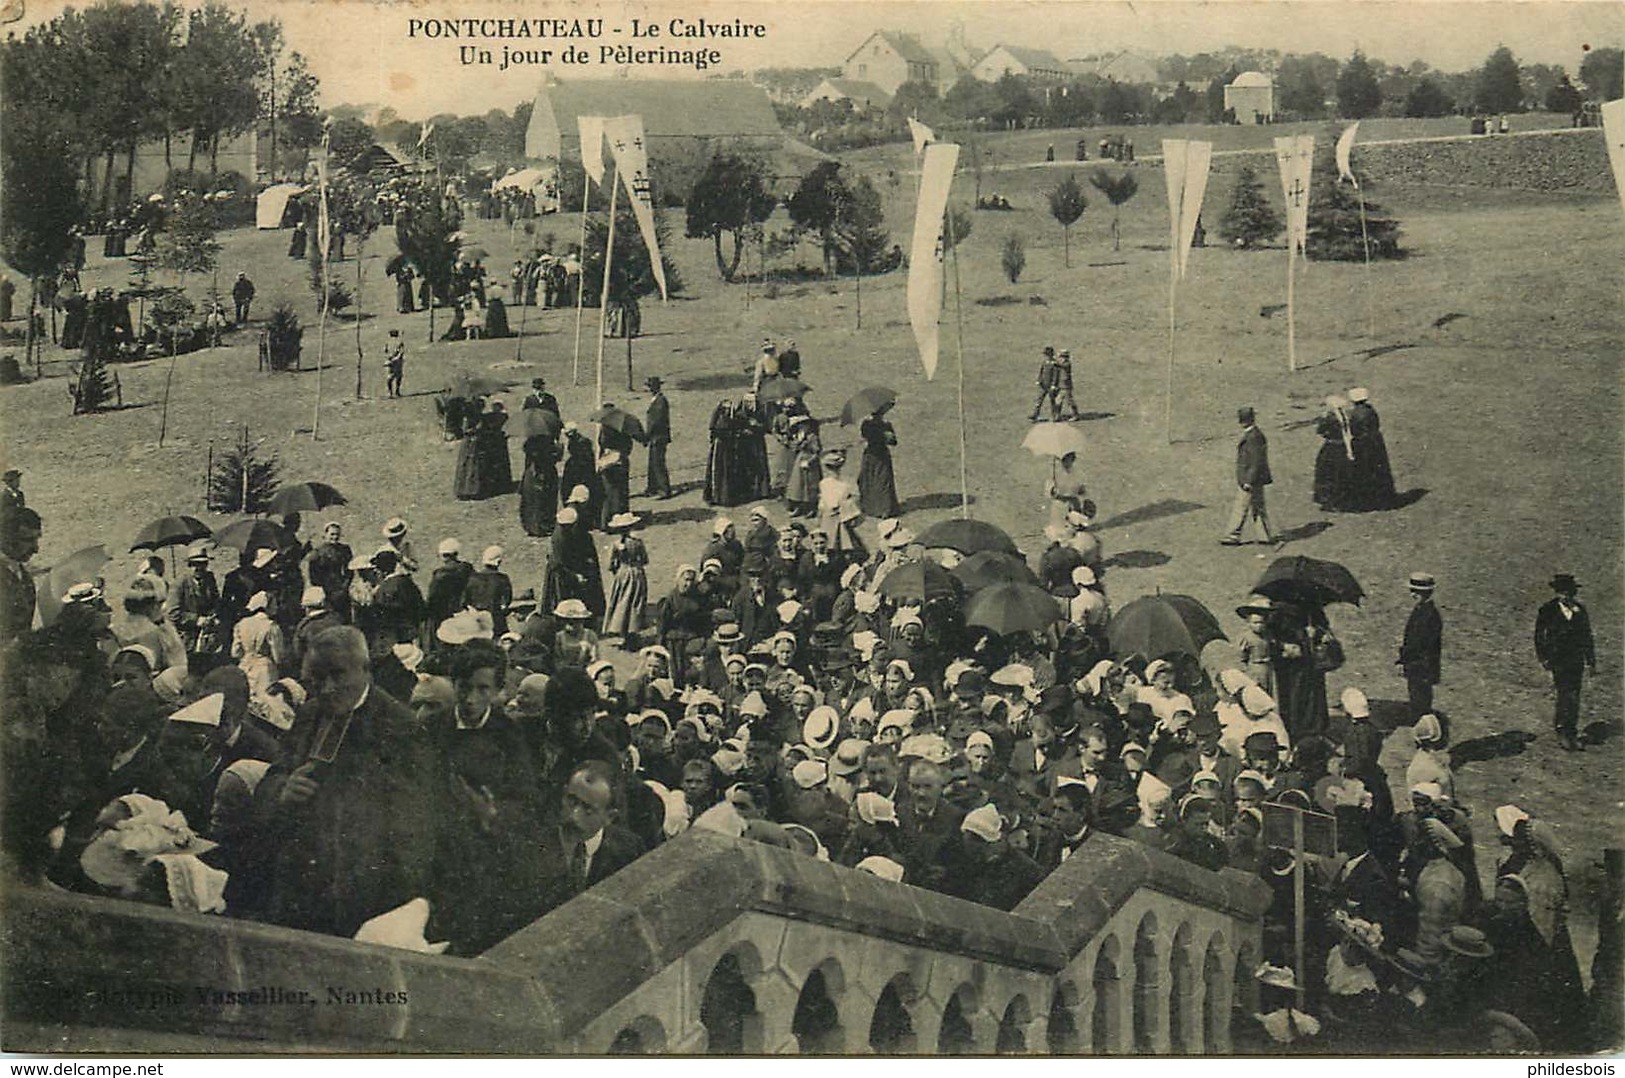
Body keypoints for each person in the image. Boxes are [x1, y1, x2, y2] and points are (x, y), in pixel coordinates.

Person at [255, 626, 446, 939]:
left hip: (363, 896)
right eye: (317, 678)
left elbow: (414, 829)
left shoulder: (400, 728)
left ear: (365, 670)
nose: (327, 688)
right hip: (299, 886)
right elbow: (274, 775)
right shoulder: (310, 713)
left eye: (338, 675)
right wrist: (283, 788)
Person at [1533, 573, 1595, 752]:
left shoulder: (1580, 610)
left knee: (1574, 695)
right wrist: (1544, 658)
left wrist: (1591, 661)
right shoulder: (1548, 610)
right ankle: (1562, 731)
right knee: (1564, 694)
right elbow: (1539, 636)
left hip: (1576, 660)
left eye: (1568, 592)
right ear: (1556, 593)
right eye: (1561, 592)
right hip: (1557, 660)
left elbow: (1587, 636)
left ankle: (1571, 731)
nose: (1565, 596)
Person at [1221, 406, 1278, 546]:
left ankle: (1232, 535)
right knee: (1258, 507)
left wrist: (1249, 480)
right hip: (1256, 478)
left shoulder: (1252, 437)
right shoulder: (1256, 434)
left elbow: (1256, 461)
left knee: (1240, 507)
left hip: (1250, 479)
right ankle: (1264, 535)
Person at [1345, 387, 1398, 510]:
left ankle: (1368, 500)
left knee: (1364, 469)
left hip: (1362, 443)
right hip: (1375, 441)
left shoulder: (1356, 413)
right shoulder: (1370, 409)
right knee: (1378, 467)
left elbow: (1354, 429)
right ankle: (1383, 497)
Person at [1398, 572, 1442, 720]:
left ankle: (1422, 721)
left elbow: (1418, 643)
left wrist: (1404, 658)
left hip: (1421, 665)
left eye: (1415, 591)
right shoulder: (1424, 609)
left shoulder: (1427, 614)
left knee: (1419, 696)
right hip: (1421, 664)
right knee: (1418, 694)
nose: (1412, 594)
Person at [602, 513, 649, 647]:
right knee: (636, 603)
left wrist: (617, 569)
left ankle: (622, 632)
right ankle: (633, 632)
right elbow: (645, 560)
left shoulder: (616, 545)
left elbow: (610, 565)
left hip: (623, 573)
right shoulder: (638, 543)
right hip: (637, 573)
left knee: (621, 602)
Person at [0, 506, 41, 648]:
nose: (36, 549)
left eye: (37, 539)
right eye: (28, 540)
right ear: (6, 539)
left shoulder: (23, 575)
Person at [858, 402, 901, 519]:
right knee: (881, 481)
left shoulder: (867, 424)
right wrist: (885, 436)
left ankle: (874, 508)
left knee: (873, 480)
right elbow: (892, 442)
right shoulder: (883, 425)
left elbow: (893, 441)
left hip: (872, 454)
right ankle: (883, 509)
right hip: (878, 455)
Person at [1313, 395, 1355, 511]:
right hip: (1342, 447)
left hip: (1331, 448)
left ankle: (1330, 501)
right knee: (1341, 474)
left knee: (1327, 474)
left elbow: (1321, 431)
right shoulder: (1345, 417)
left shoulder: (1330, 419)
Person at [519, 424, 561, 538]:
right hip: (545, 473)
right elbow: (557, 457)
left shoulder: (530, 442)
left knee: (532, 501)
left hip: (533, 474)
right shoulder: (549, 442)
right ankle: (543, 525)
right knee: (545, 501)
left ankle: (532, 526)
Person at [643, 376, 672, 499]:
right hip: (655, 437)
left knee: (658, 463)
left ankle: (664, 489)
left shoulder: (661, 401)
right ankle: (652, 487)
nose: (650, 389)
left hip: (659, 437)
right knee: (652, 463)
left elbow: (656, 421)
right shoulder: (656, 400)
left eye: (651, 387)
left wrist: (647, 435)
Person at [1029, 346, 1063, 422]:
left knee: (1052, 401)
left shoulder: (1054, 364)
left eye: (1047, 355)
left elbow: (1055, 375)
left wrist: (1054, 385)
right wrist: (1039, 380)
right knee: (1039, 400)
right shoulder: (1044, 362)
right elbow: (1041, 372)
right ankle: (1035, 414)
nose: (1046, 357)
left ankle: (1054, 416)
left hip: (1051, 386)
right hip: (1043, 384)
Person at [383, 331, 405, 398]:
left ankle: (390, 392)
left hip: (392, 361)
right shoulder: (399, 342)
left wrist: (388, 359)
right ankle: (397, 391)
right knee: (398, 376)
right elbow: (401, 353)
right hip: (397, 362)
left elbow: (385, 351)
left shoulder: (388, 343)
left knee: (390, 377)